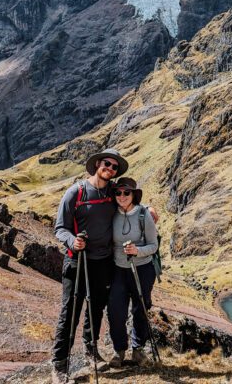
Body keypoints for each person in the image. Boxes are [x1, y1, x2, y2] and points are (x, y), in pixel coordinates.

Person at [50, 148, 128, 383]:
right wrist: (73, 240)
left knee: (96, 309)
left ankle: (89, 351)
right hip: (77, 260)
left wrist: (149, 212)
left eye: (114, 167)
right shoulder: (76, 192)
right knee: (70, 312)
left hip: (103, 262)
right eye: (107, 164)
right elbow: (60, 228)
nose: (110, 169)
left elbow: (131, 202)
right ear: (97, 164)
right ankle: (59, 364)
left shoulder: (114, 193)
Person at [107, 176, 160, 369]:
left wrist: (138, 251)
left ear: (133, 195)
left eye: (126, 193)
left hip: (143, 268)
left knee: (141, 308)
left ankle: (138, 349)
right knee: (115, 311)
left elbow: (154, 245)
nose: (122, 196)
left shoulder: (143, 214)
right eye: (118, 193)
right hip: (118, 269)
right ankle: (119, 350)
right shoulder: (112, 212)